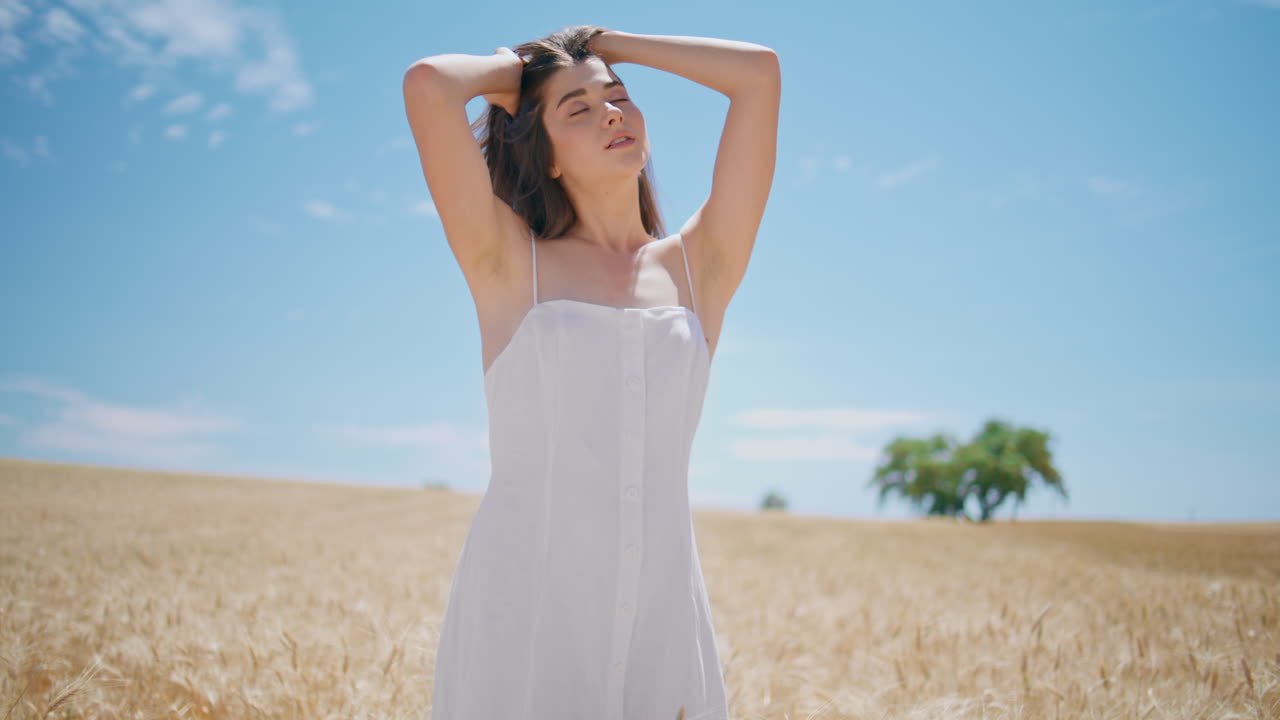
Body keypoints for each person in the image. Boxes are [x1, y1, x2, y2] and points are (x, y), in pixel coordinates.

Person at [401, 24, 780, 720]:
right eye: (576, 110)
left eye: (621, 98)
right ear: (543, 157)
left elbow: (759, 74)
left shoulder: (700, 268)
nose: (612, 112)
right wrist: (520, 70)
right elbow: (428, 84)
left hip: (660, 626)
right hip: (525, 622)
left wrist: (608, 46)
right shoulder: (512, 263)